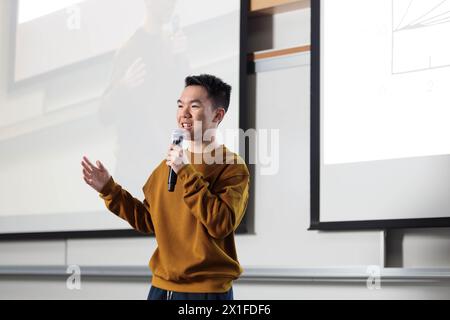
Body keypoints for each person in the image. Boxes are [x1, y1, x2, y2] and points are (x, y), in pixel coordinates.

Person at [81, 74, 250, 300]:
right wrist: (109, 190)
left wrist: (185, 172)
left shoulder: (231, 167)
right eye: (180, 105)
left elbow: (220, 224)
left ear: (218, 115)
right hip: (161, 287)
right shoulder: (167, 166)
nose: (184, 114)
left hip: (206, 292)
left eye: (195, 106)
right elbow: (149, 220)